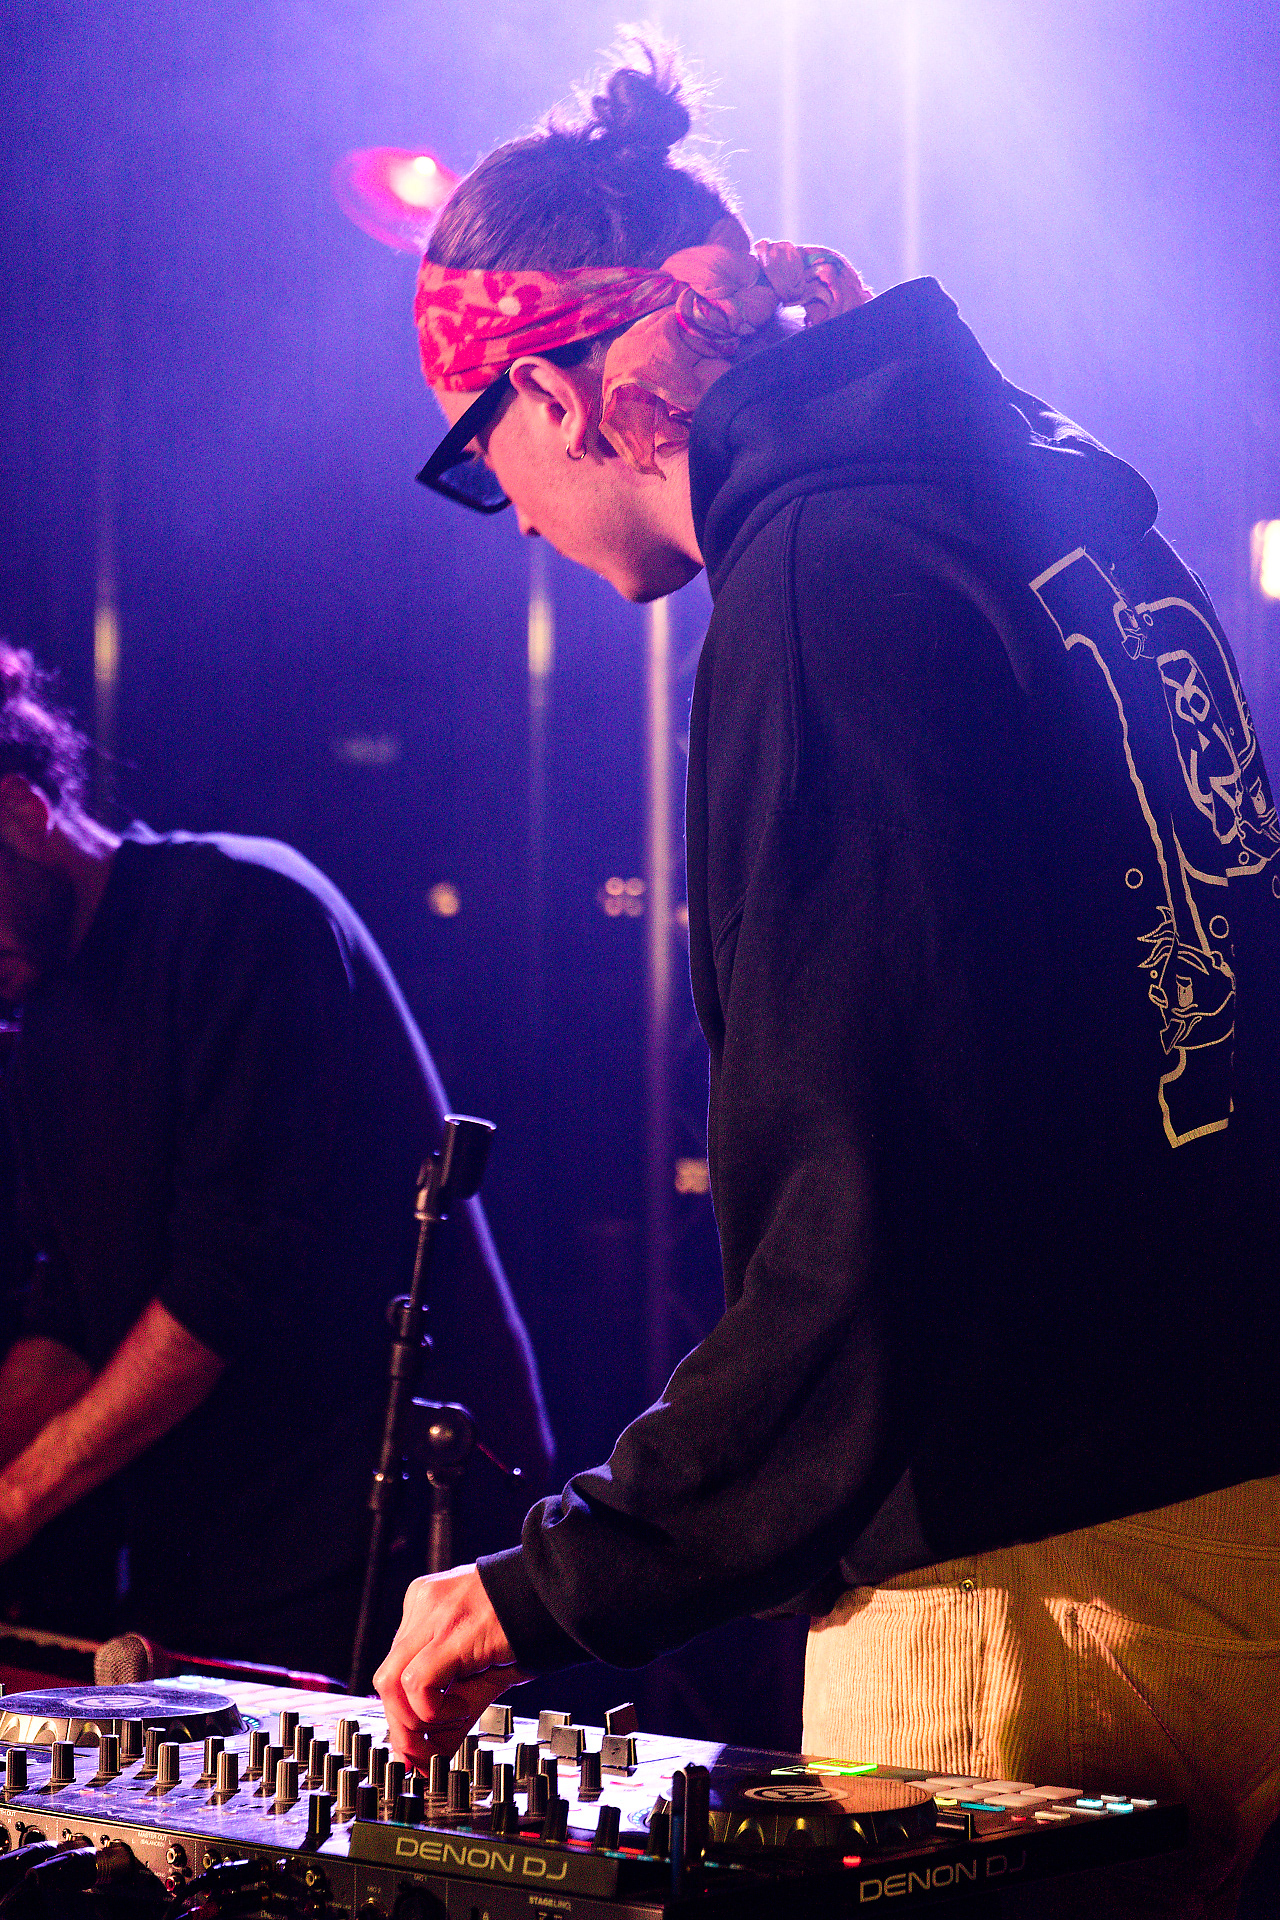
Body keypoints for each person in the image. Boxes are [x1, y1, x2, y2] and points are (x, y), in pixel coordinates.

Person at [372, 43, 1280, 1918]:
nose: (514, 518)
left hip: (1048, 1595)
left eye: (480, 462)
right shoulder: (1048, 517)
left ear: (553, 390)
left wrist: (551, 1587)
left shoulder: (816, 581)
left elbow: (861, 1223)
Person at [0, 645, 552, 1678]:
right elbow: (68, 1314)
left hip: (390, 1538)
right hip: (222, 1549)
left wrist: (20, 1499)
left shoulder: (244, 914)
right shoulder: (46, 1015)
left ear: (24, 810)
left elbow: (224, 1290)